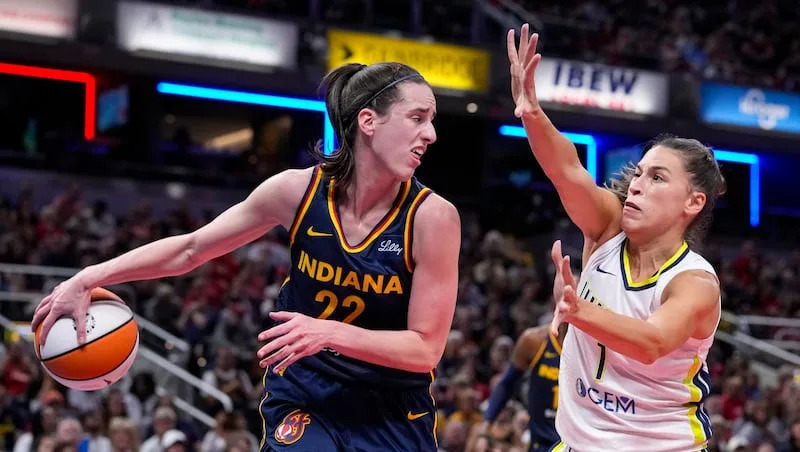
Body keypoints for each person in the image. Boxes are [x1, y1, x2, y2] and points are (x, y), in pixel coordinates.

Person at [31, 61, 461, 451]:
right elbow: (191, 248)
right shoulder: (296, 191)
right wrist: (86, 278)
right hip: (306, 393)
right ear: (369, 121)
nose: (431, 134)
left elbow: (425, 349)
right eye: (417, 118)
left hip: (391, 409)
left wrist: (329, 333)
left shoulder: (433, 218)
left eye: (432, 121)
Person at [507, 24, 725, 451]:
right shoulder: (608, 227)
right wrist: (532, 112)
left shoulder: (695, 283)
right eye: (640, 173)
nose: (638, 184)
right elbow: (567, 169)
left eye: (658, 177)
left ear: (693, 203)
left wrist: (577, 310)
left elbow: (652, 343)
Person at [478, 325, 566, 451]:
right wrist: (484, 429)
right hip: (542, 442)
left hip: (575, 442)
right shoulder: (534, 340)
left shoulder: (592, 346)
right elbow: (506, 385)